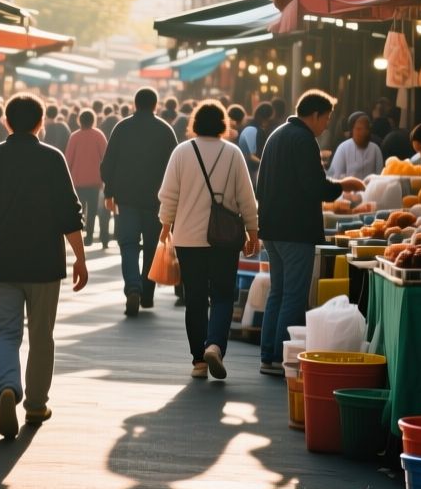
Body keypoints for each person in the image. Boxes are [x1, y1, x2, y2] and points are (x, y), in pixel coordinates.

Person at [0, 94, 89, 438]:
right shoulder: (52, 158)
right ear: (40, 122)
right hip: (44, 263)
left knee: (5, 331)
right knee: (41, 335)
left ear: (6, 122)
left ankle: (7, 387)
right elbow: (69, 212)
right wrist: (80, 256)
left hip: (1, 260)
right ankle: (35, 403)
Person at [254, 91, 366, 375]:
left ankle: (269, 354)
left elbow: (262, 184)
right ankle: (282, 357)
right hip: (294, 230)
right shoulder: (304, 140)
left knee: (277, 292)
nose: (327, 124)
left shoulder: (278, 135)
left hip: (272, 228)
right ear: (314, 115)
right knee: (293, 294)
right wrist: (343, 185)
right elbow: (315, 186)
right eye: (326, 118)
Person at [158, 102, 260, 380]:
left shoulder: (182, 152)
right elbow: (246, 199)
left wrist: (165, 226)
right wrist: (253, 231)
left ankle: (199, 361)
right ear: (223, 124)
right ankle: (215, 344)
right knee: (224, 294)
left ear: (195, 124)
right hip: (224, 238)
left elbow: (169, 195)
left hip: (188, 239)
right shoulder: (233, 153)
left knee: (195, 299)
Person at [100, 88, 178, 317]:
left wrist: (109, 193)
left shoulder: (122, 127)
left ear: (135, 104)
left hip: (127, 199)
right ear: (156, 105)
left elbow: (108, 164)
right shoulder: (165, 130)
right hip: (156, 201)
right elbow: (174, 168)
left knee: (129, 245)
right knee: (153, 247)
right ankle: (147, 294)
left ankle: (133, 287)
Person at [66, 109, 110, 248]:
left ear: (80, 120)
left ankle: (81, 234)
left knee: (79, 210)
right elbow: (106, 157)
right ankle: (90, 236)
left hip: (77, 180)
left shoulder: (74, 136)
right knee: (92, 210)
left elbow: (68, 159)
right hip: (95, 180)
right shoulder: (98, 135)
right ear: (93, 120)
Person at [328, 111, 385, 180]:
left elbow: (380, 177)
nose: (362, 133)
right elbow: (335, 176)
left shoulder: (375, 149)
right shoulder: (343, 148)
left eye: (366, 129)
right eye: (359, 129)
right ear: (352, 130)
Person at [238, 102, 274, 181]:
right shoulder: (257, 131)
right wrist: (263, 164)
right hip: (253, 170)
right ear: (264, 118)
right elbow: (249, 156)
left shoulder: (248, 125)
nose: (270, 122)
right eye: (269, 119)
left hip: (246, 168)